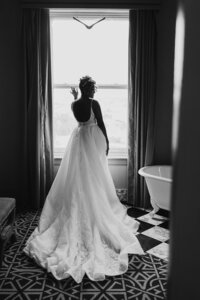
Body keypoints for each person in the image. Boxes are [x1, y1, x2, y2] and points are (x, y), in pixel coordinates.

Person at [23, 76, 144, 283]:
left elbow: (81, 116)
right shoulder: (93, 103)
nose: (95, 90)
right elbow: (101, 123)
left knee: (79, 178)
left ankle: (81, 206)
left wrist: (76, 96)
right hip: (92, 140)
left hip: (78, 140)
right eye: (93, 87)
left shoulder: (74, 104)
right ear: (87, 89)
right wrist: (107, 142)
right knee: (94, 178)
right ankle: (93, 208)